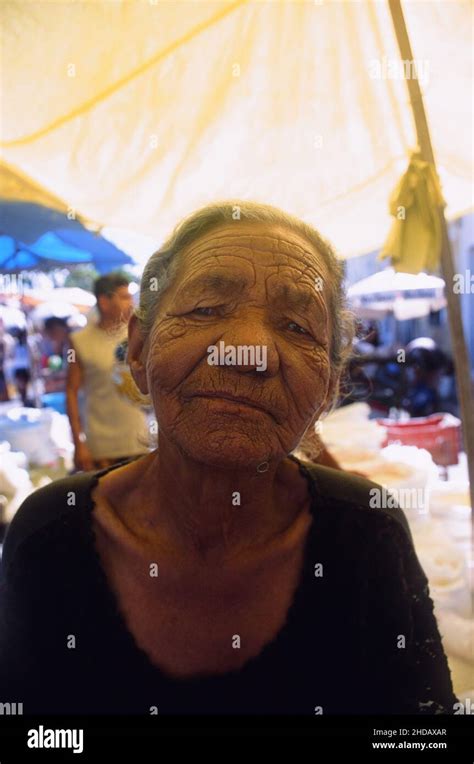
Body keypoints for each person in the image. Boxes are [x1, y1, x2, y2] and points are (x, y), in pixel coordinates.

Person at [0, 201, 456, 715]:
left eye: (298, 326)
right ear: (140, 350)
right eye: (206, 309)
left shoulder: (366, 528)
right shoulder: (50, 533)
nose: (249, 349)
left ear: (328, 389)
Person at [66, 273, 148, 470]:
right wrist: (79, 444)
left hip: (138, 440)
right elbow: (70, 392)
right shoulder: (79, 341)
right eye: (124, 297)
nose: (131, 303)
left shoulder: (137, 335)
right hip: (101, 446)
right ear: (104, 301)